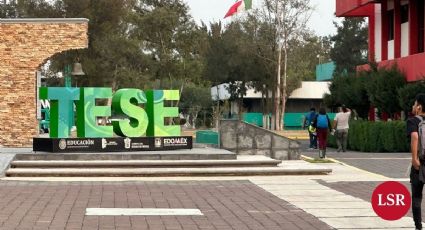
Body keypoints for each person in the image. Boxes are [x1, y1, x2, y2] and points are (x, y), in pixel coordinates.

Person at [408, 93, 425, 230]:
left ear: (419, 107)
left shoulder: (414, 121)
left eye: (414, 104)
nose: (413, 106)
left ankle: (418, 227)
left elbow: (414, 136)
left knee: (417, 197)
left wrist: (414, 158)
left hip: (420, 163)